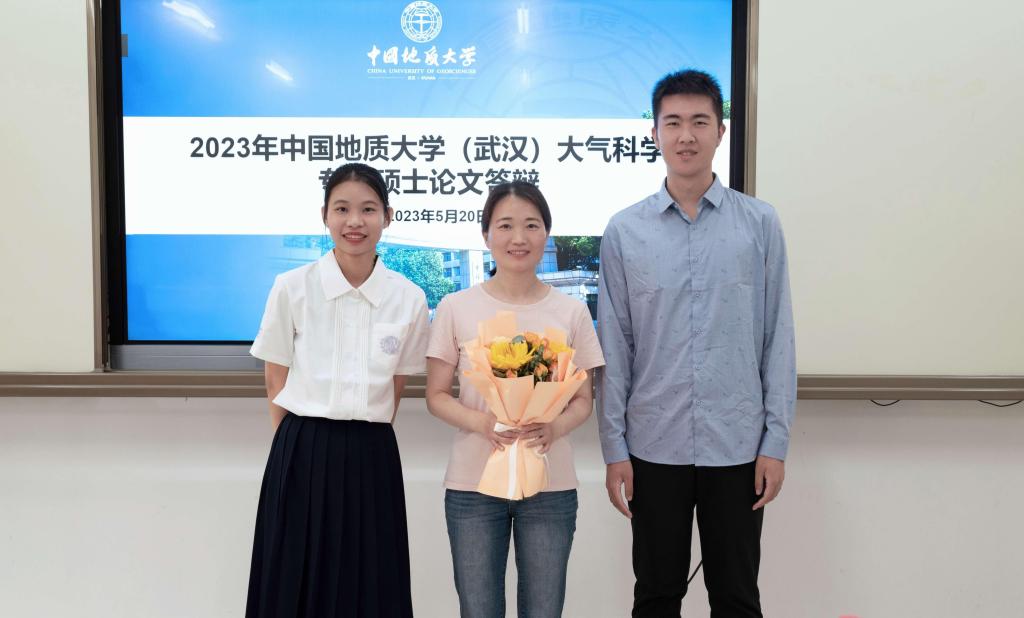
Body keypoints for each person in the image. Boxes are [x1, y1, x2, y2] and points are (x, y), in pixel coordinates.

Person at [597, 69, 796, 617]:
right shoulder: (624, 231)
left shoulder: (760, 224)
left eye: (700, 122)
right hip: (652, 445)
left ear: (720, 131)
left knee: (737, 597)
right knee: (655, 595)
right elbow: (615, 347)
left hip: (738, 444)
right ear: (655, 133)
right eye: (673, 123)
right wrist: (614, 449)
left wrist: (775, 442)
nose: (686, 136)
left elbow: (778, 337)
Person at [245, 163, 429, 618]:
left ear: (387, 216)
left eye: (368, 209)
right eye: (342, 209)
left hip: (372, 452)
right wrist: (296, 449)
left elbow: (396, 386)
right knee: (294, 576)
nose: (354, 221)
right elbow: (274, 379)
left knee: (370, 579)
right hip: (302, 446)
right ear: (324, 216)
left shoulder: (408, 297)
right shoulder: (292, 287)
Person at [425, 181, 605, 618]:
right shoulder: (456, 306)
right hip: (473, 484)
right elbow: (436, 396)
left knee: (544, 609)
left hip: (550, 483)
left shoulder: (572, 311)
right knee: (478, 609)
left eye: (531, 225)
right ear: (486, 235)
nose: (518, 238)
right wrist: (484, 423)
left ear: (546, 234)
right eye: (505, 225)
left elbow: (584, 399)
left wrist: (554, 427)